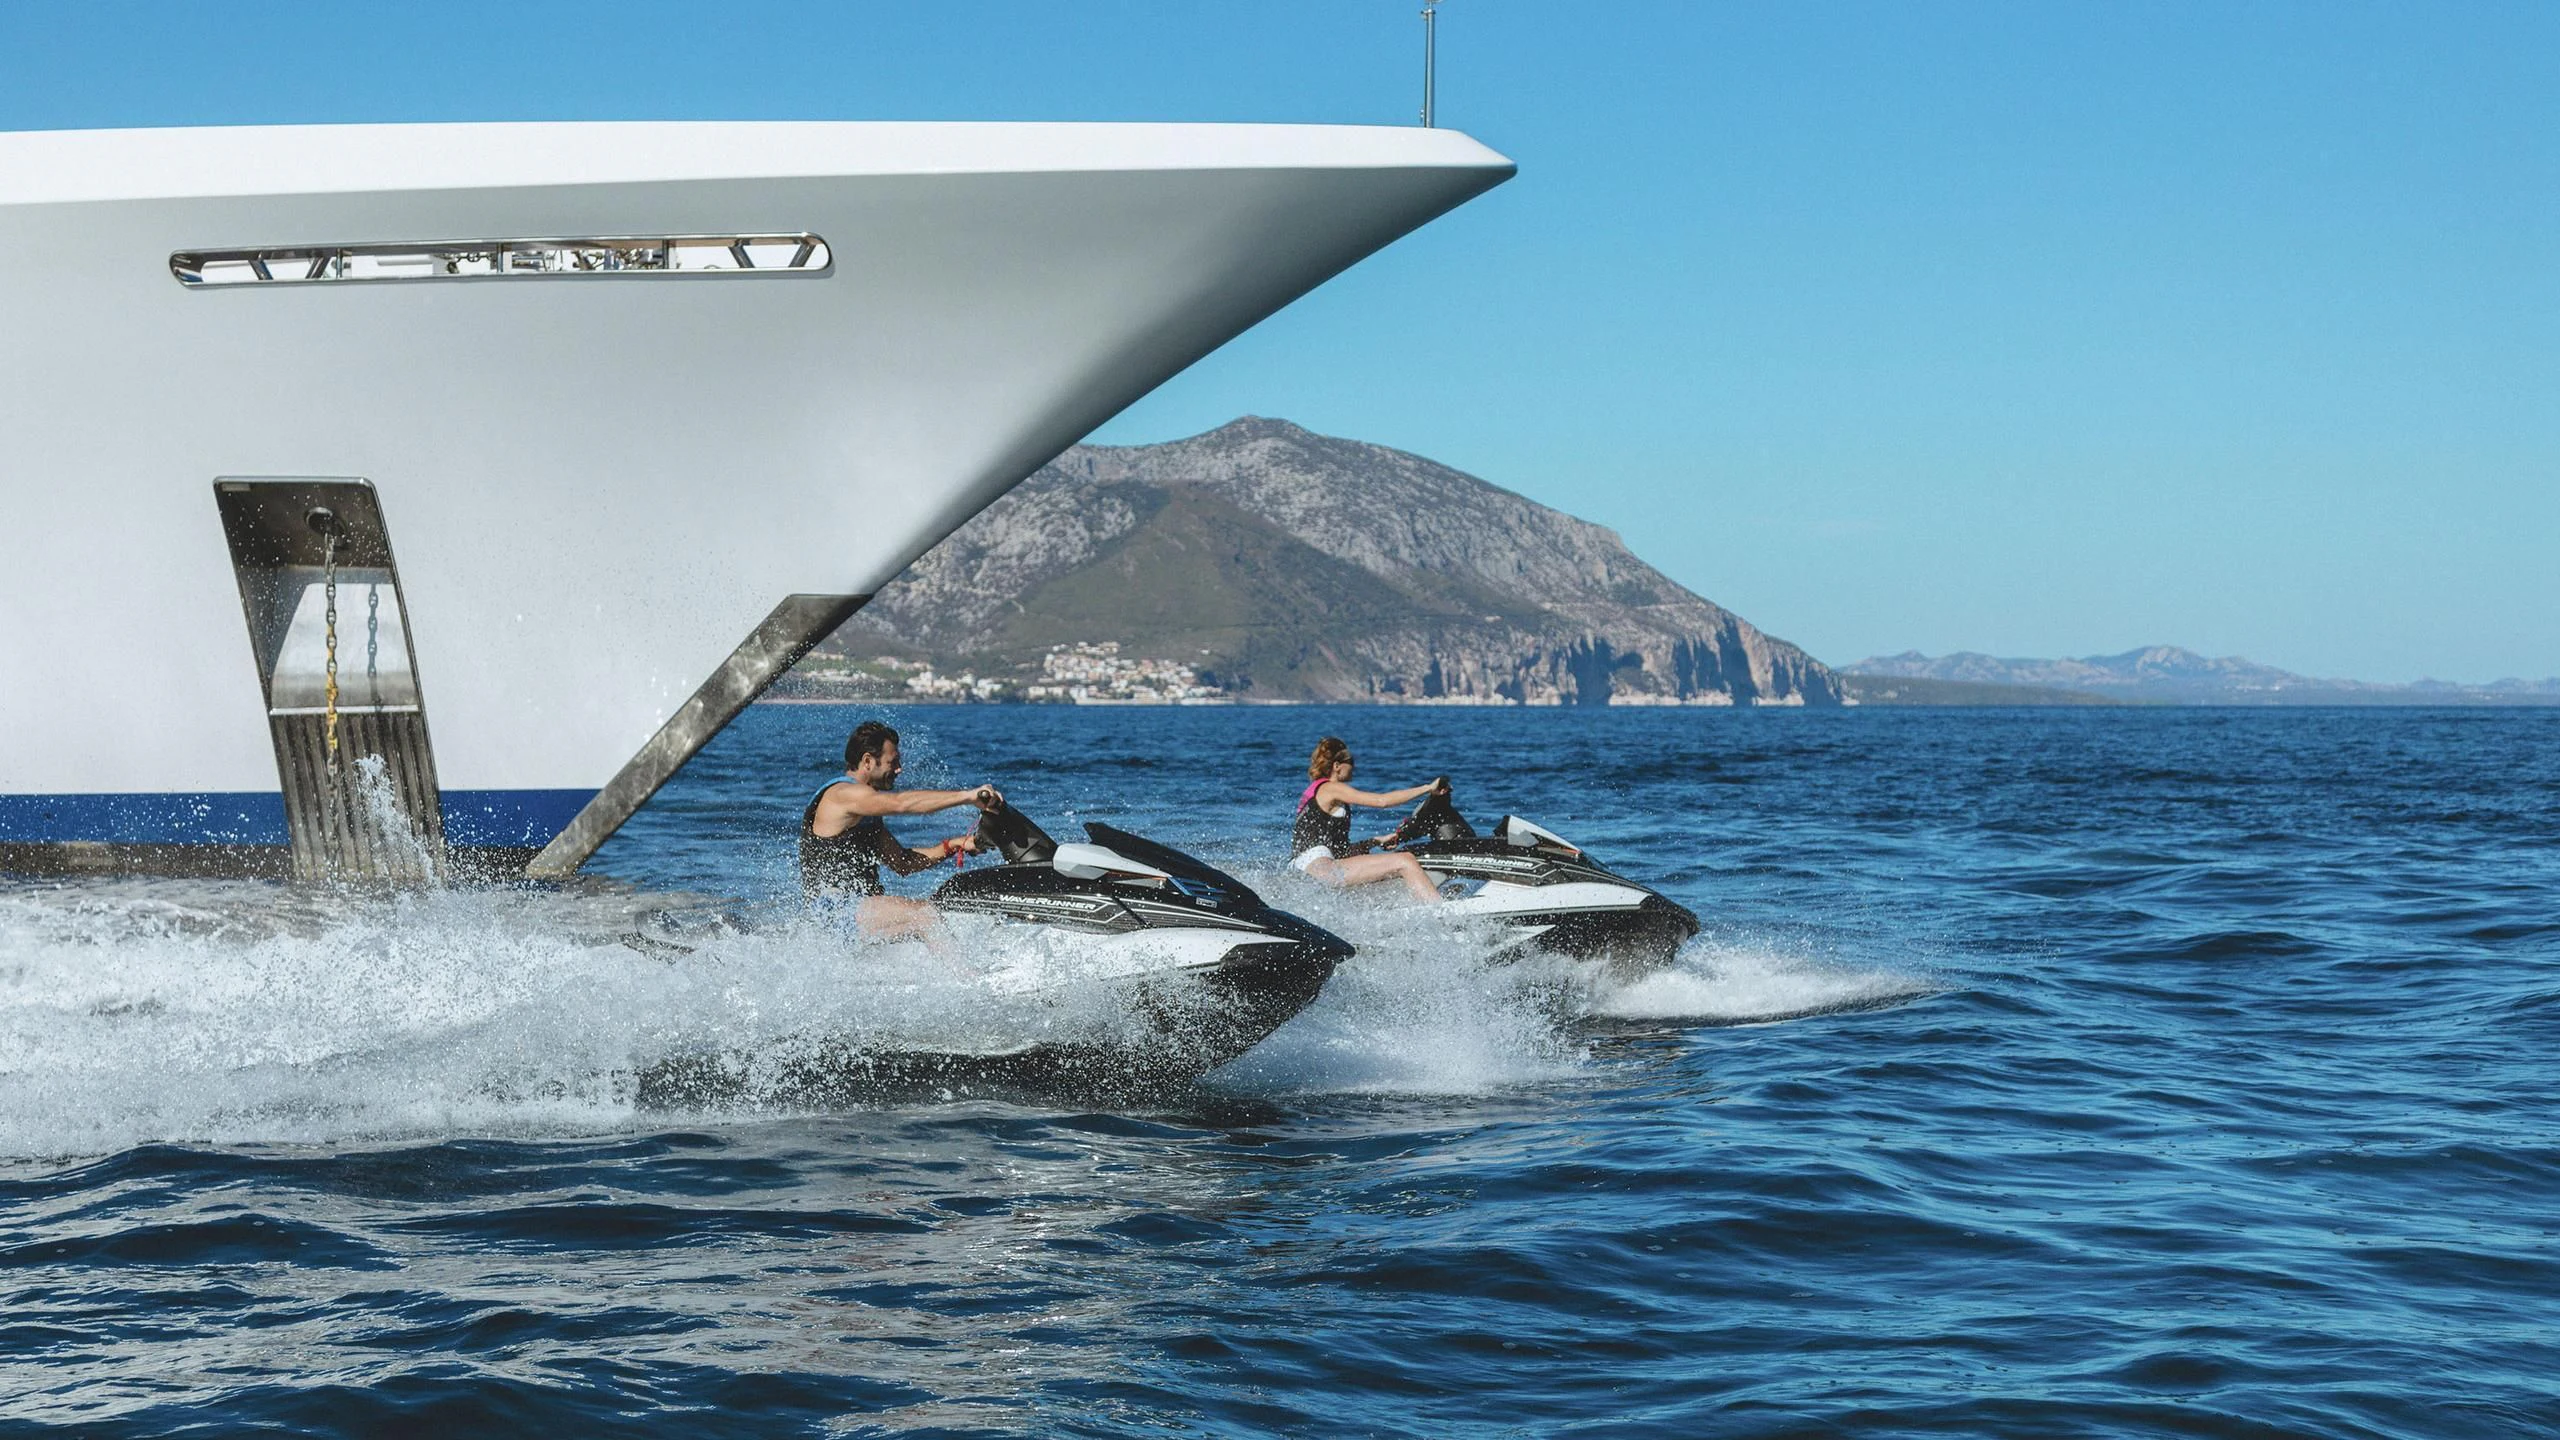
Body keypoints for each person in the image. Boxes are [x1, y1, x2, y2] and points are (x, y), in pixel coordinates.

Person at [801, 721, 1003, 939]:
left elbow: (903, 863)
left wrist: (954, 845)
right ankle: (970, 975)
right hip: (834, 911)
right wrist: (968, 796)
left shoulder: (866, 812)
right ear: (868, 761)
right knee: (925, 916)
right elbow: (901, 803)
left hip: (857, 915)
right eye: (893, 762)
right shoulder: (842, 794)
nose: (899, 769)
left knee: (933, 917)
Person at [1290, 736, 1447, 903]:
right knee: (1405, 860)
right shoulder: (1331, 788)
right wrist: (1428, 788)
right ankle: (1442, 912)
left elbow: (1332, 848)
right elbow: (1382, 801)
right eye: (1351, 762)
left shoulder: (1314, 792)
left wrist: (1372, 843)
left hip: (1306, 870)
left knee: (1393, 871)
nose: (1354, 767)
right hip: (1321, 869)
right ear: (1337, 766)